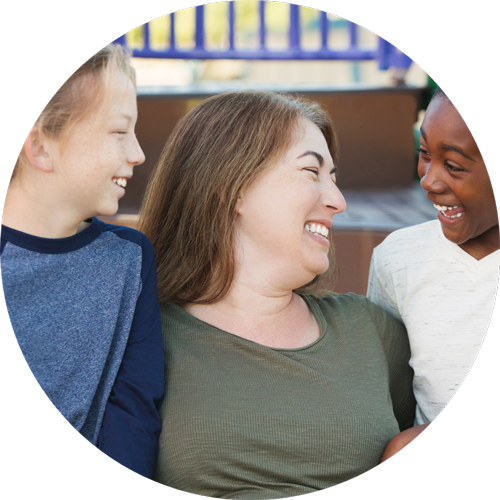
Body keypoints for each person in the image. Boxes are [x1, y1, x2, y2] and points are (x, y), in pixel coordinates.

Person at [138, 90, 416, 497]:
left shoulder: (371, 331)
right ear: (231, 185)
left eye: (334, 178)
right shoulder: (143, 335)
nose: (337, 201)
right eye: (311, 172)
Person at [0, 43, 165, 479]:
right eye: (119, 132)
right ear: (41, 147)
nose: (138, 153)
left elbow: (132, 409)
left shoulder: (129, 260)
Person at [367, 88, 499, 459]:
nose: (429, 181)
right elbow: (389, 389)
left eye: (454, 165)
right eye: (425, 154)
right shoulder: (398, 258)